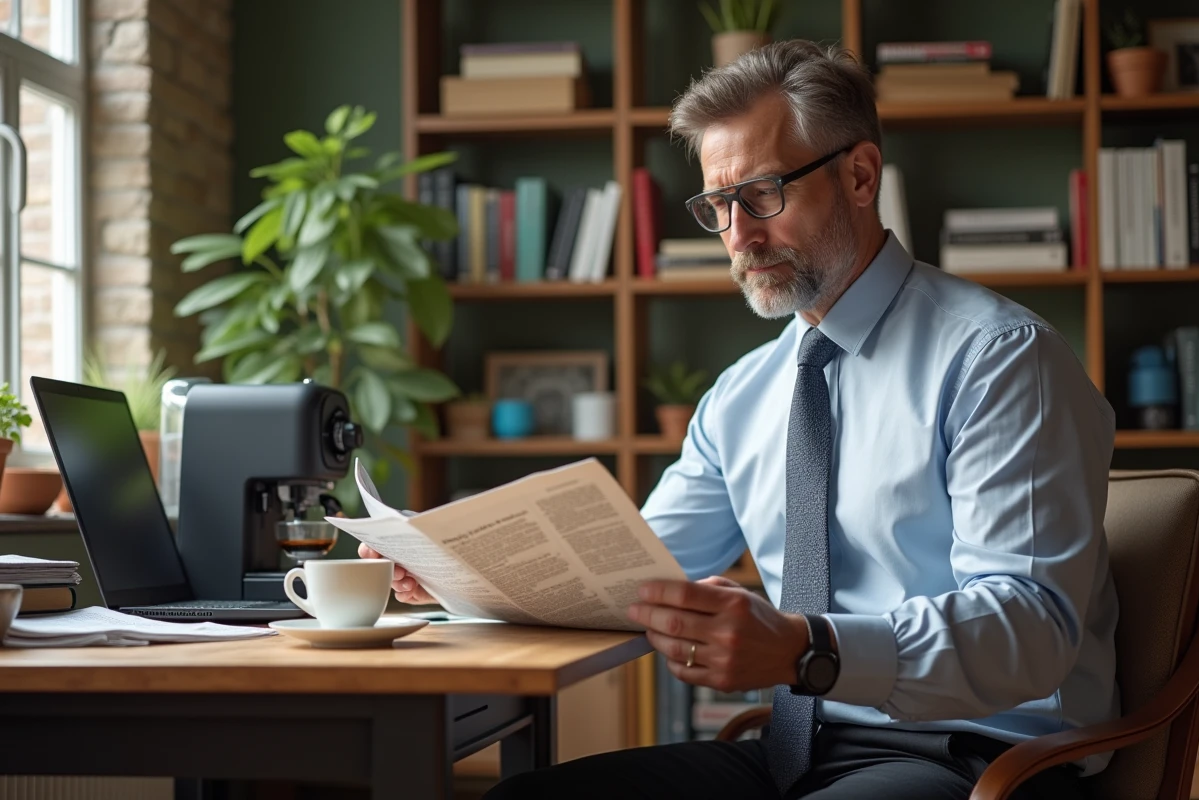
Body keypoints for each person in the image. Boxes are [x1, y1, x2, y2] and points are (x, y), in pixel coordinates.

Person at [361, 39, 1119, 800]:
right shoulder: (742, 395)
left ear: (859, 176)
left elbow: (1031, 630)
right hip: (797, 751)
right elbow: (627, 573)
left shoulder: (1001, 360)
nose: (739, 237)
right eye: (718, 207)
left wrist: (806, 649)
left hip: (983, 759)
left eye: (761, 195)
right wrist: (456, 566)